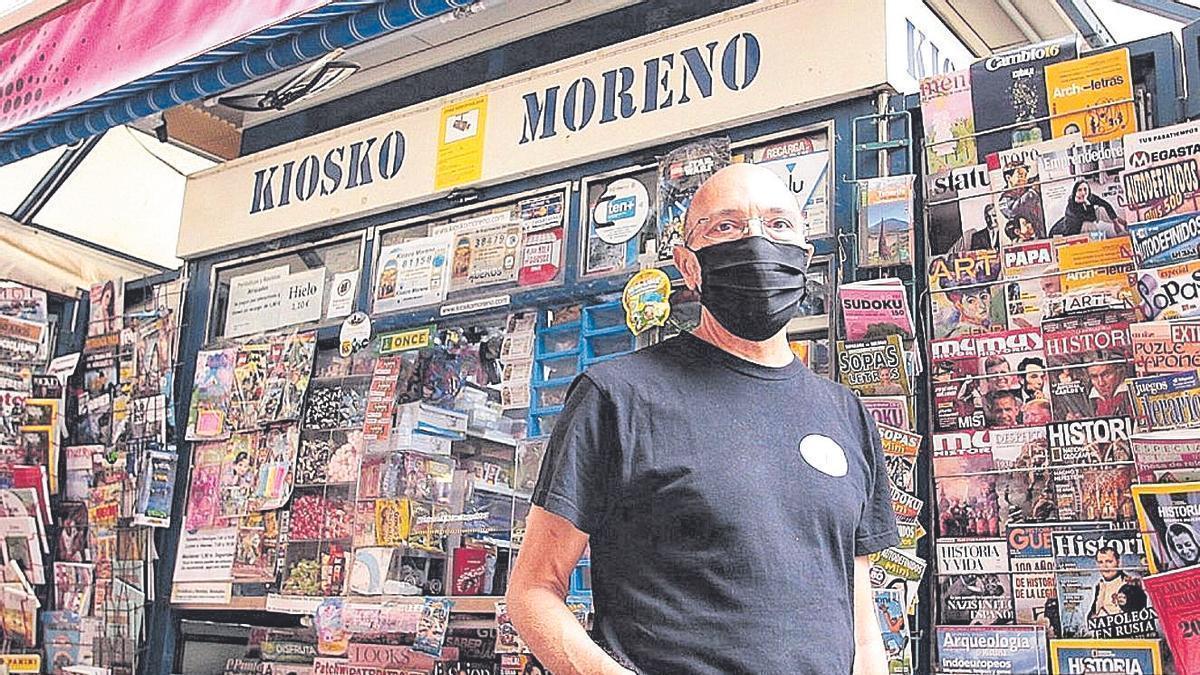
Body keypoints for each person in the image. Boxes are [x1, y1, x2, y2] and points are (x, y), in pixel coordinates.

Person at [507, 164, 897, 675]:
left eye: (779, 225)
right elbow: (534, 589)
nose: (756, 242)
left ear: (804, 257)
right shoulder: (618, 396)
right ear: (688, 267)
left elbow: (858, 615)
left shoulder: (846, 414)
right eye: (726, 227)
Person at [1048, 180, 1127, 237]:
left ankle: (1122, 223)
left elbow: (1106, 205)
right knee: (1089, 225)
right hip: (1072, 230)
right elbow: (1086, 218)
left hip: (1086, 218)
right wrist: (1085, 204)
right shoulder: (1072, 204)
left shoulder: (1090, 197)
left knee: (1101, 210)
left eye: (1085, 189)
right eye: (1079, 190)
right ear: (1075, 192)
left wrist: (1115, 223)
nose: (1083, 193)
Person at [1087, 546, 1131, 623]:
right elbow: (1091, 620)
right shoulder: (1100, 586)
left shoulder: (1130, 583)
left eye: (1109, 561)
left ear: (1118, 562)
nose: (1105, 567)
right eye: (1100, 562)